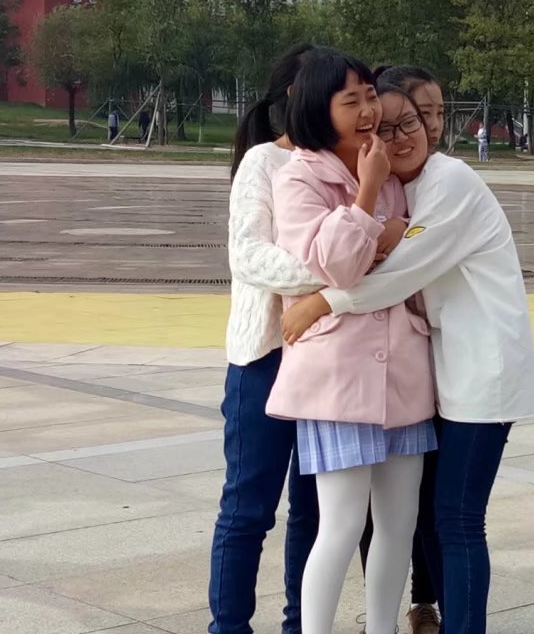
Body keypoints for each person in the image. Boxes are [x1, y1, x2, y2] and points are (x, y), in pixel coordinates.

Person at [281, 76, 534, 634]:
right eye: (386, 126)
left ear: (430, 125)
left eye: (410, 123)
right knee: (424, 520)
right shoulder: (397, 186)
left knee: (458, 520)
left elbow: (400, 274)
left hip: (483, 374)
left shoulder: (450, 182)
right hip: (441, 374)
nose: (399, 137)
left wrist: (320, 303)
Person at [268, 48, 437, 634]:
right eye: (352, 100)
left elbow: (411, 252)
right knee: (340, 525)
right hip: (337, 379)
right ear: (320, 108)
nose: (369, 110)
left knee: (399, 524)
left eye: (370, 96)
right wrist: (367, 197)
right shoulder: (299, 179)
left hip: (403, 376)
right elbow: (338, 265)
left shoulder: (388, 168)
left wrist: (393, 229)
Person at [213, 43, 320, 634]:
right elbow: (249, 256)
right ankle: (229, 627)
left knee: (314, 511)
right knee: (249, 507)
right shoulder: (263, 162)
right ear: (297, 97)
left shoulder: (341, 163)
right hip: (264, 358)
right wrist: (334, 272)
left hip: (327, 359)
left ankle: (301, 624)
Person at [361, 63, 446, 634]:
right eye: (421, 113)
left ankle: (424, 602)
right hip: (378, 366)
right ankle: (382, 615)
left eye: (437, 113)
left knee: (426, 501)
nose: (432, 126)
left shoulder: (443, 180)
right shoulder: (379, 178)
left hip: (434, 367)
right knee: (374, 509)